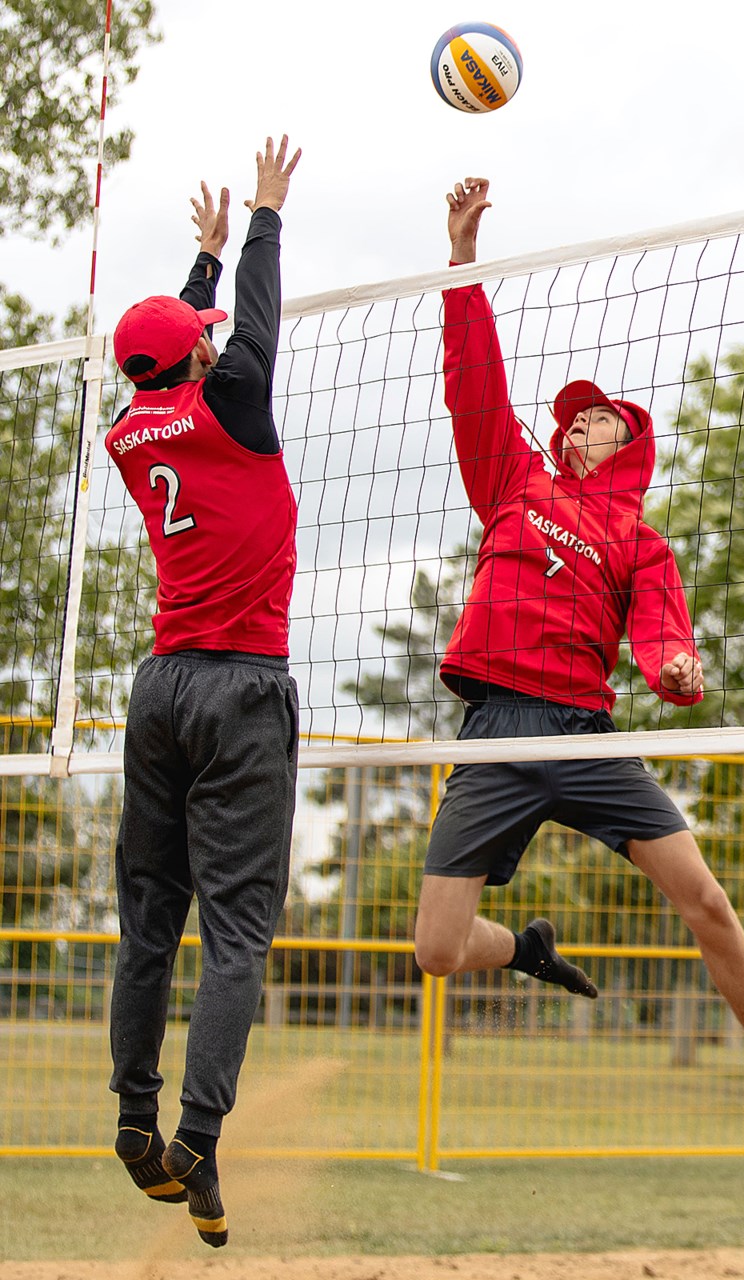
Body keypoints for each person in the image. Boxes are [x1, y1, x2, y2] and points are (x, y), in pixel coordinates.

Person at [413, 177, 744, 1170]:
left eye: (596, 417)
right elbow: (471, 378)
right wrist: (461, 259)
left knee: (706, 897)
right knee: (437, 949)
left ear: (628, 438)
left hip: (585, 732)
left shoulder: (639, 539)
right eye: (569, 418)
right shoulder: (514, 481)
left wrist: (681, 672)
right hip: (497, 726)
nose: (577, 424)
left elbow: (663, 641)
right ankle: (526, 949)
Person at [105, 135, 302, 1248]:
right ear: (198, 359)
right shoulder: (232, 400)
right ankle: (198, 1129)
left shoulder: (131, 427)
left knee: (152, 920)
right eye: (206, 342)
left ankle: (138, 1121)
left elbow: (179, 351)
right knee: (237, 930)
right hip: (239, 686)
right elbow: (256, 334)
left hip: (160, 687)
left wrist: (200, 265)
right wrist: (265, 219)